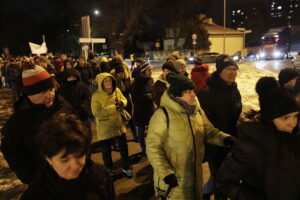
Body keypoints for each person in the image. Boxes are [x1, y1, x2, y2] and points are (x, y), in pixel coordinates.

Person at [146, 72, 234, 200]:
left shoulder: (196, 111)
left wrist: (225, 139)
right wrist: (166, 173)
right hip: (174, 181)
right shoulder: (162, 115)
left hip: (195, 177)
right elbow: (153, 148)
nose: (194, 94)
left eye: (193, 90)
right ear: (177, 95)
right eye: (188, 92)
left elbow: (208, 131)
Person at [216, 77, 300, 200]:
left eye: (295, 116)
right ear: (269, 118)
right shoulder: (250, 145)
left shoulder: (296, 137)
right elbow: (224, 182)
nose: (292, 123)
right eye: (285, 118)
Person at [1, 65, 74, 184]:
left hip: (72, 174)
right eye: (43, 92)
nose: (50, 94)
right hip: (44, 183)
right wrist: (32, 177)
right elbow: (12, 152)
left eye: (51, 89)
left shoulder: (63, 105)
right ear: (30, 95)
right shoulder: (17, 122)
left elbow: (81, 130)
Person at [21, 114, 113, 200]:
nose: (75, 166)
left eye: (79, 155)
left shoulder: (100, 176)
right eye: (65, 160)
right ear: (48, 159)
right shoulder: (36, 194)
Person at [197, 54, 242, 200]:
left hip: (232, 142)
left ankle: (206, 192)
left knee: (230, 177)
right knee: (220, 180)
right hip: (215, 146)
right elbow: (202, 124)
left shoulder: (234, 89)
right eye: (228, 69)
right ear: (219, 70)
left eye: (235, 69)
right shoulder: (206, 93)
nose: (232, 72)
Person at [91, 72, 132, 177]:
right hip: (105, 127)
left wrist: (122, 103)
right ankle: (109, 168)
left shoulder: (117, 90)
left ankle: (126, 167)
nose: (109, 83)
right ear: (101, 83)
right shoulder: (96, 96)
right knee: (106, 150)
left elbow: (124, 99)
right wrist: (114, 108)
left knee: (124, 147)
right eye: (106, 81)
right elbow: (97, 112)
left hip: (118, 124)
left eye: (110, 80)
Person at [58, 68, 92, 140]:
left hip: (83, 115)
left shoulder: (83, 87)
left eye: (74, 77)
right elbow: (61, 101)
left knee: (86, 135)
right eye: (70, 77)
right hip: (69, 117)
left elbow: (88, 98)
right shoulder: (62, 89)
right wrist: (69, 111)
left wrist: (83, 108)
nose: (72, 79)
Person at [131, 62, 155, 154]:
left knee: (152, 129)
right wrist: (146, 96)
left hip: (150, 108)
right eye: (149, 70)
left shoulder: (150, 80)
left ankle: (152, 147)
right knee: (141, 130)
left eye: (151, 70)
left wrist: (152, 96)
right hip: (140, 110)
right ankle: (143, 149)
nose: (151, 72)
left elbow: (153, 92)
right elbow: (134, 98)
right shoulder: (137, 82)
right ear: (144, 71)